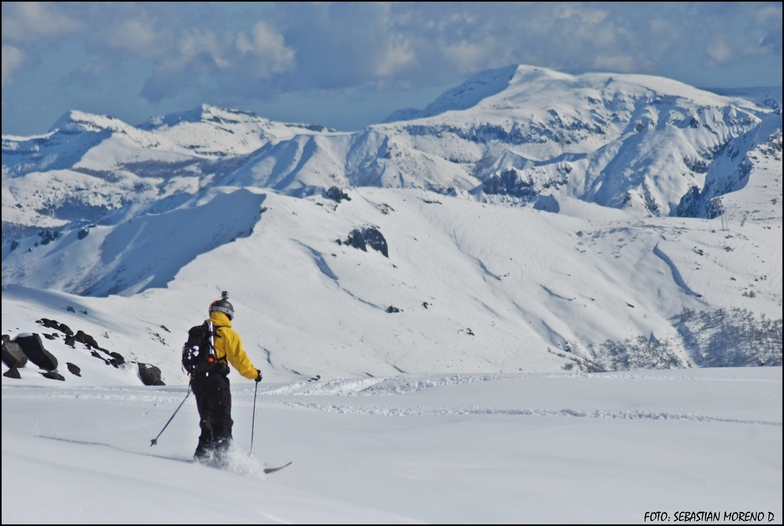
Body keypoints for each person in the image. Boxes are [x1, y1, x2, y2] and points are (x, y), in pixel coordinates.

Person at [191, 293, 262, 463]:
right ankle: (225, 461)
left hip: (198, 384)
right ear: (227, 314)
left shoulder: (200, 333)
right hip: (217, 383)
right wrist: (254, 374)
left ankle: (201, 459)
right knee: (222, 422)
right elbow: (239, 360)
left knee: (207, 422)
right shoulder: (227, 334)